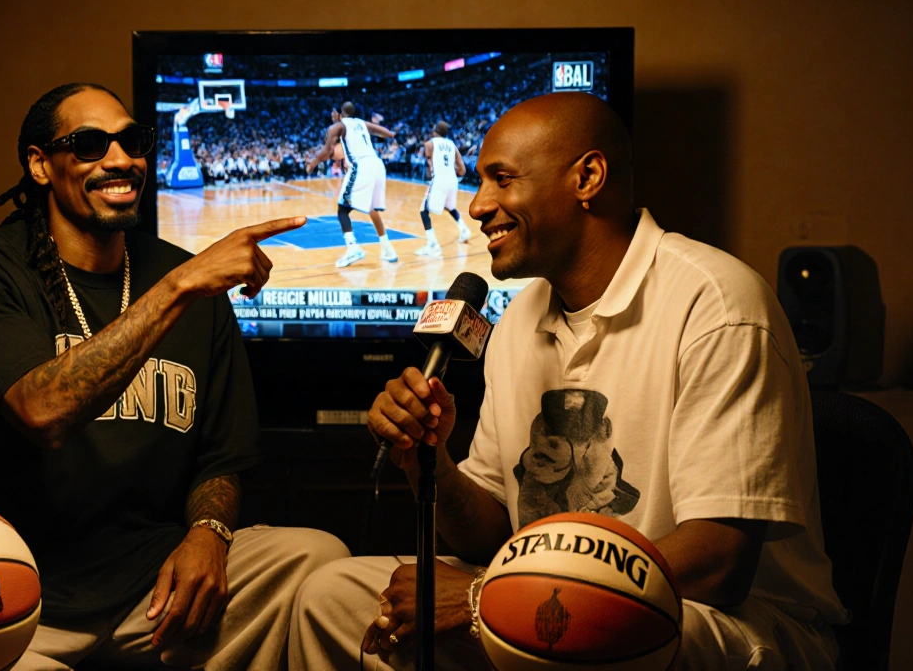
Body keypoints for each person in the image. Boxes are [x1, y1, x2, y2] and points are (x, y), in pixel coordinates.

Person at [290, 92, 847, 670]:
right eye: (480, 182)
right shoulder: (515, 323)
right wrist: (430, 463)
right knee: (332, 595)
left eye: (501, 180)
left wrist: (484, 599)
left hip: (722, 621)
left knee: (570, 639)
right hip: (545, 595)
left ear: (588, 177)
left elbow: (719, 563)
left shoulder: (717, 304)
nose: (479, 205)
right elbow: (491, 533)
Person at [0, 82, 349, 670]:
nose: (120, 159)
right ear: (40, 165)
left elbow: (221, 461)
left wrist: (208, 534)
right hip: (16, 597)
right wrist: (179, 286)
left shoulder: (192, 283)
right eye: (91, 144)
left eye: (133, 140)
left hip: (155, 589)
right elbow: (41, 410)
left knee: (317, 556)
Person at [306, 102, 398, 268]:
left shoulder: (338, 127)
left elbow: (327, 152)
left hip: (361, 166)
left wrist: (312, 164)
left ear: (340, 113)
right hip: (377, 165)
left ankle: (353, 248)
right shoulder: (361, 123)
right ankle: (388, 250)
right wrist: (392, 134)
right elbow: (386, 133)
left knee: (342, 209)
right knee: (372, 210)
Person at [415, 120, 473, 257]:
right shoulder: (453, 145)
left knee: (423, 210)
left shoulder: (430, 143)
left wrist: (431, 175)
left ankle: (433, 244)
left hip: (439, 180)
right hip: (452, 180)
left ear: (435, 131)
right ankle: (464, 229)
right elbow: (462, 170)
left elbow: (429, 165)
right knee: (450, 206)